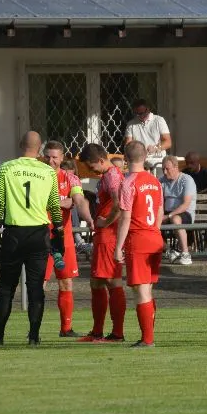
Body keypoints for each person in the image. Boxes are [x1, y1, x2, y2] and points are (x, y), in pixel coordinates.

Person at [0, 131, 62, 347]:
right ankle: (33, 336)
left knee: (6, 287)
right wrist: (59, 232)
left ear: (20, 144)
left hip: (14, 233)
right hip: (38, 234)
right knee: (36, 287)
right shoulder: (48, 171)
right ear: (40, 149)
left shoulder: (6, 168)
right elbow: (54, 205)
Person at [41, 140, 94, 337]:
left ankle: (66, 328)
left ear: (62, 158)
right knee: (39, 284)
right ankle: (34, 330)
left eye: (55, 157)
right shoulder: (38, 177)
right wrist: (62, 201)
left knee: (66, 283)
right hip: (41, 237)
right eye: (48, 157)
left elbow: (78, 199)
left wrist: (88, 217)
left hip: (64, 239)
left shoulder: (70, 178)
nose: (51, 161)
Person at [115, 141, 164, 347]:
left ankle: (147, 339)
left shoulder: (128, 183)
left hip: (138, 239)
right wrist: (154, 231)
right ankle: (149, 335)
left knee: (140, 291)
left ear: (126, 159)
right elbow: (160, 211)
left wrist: (118, 246)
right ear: (145, 157)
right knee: (148, 289)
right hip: (155, 237)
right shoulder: (155, 181)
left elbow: (125, 218)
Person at [77, 143, 128, 342]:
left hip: (109, 236)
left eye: (91, 166)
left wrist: (105, 222)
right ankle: (97, 331)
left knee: (112, 281)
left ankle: (117, 333)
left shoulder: (113, 176)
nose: (91, 171)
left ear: (100, 160)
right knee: (97, 282)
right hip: (103, 235)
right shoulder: (107, 176)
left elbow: (119, 205)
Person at [160, 155, 196, 265]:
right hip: (167, 213)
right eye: (163, 169)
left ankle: (185, 253)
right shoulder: (161, 181)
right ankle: (169, 250)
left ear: (176, 167)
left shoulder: (186, 180)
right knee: (152, 221)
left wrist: (168, 216)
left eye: (167, 169)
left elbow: (185, 205)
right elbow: (158, 201)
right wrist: (160, 215)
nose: (165, 172)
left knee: (175, 219)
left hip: (185, 213)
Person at [124, 99, 172, 167]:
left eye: (143, 113)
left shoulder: (159, 120)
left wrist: (156, 148)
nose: (141, 116)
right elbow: (128, 145)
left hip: (157, 162)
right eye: (138, 114)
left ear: (148, 109)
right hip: (139, 163)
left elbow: (168, 142)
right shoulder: (131, 124)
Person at [60, 158, 93, 258]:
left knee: (74, 204)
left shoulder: (74, 180)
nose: (67, 176)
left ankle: (78, 238)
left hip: (69, 213)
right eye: (65, 171)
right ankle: (78, 238)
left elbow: (79, 200)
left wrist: (89, 219)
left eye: (70, 172)